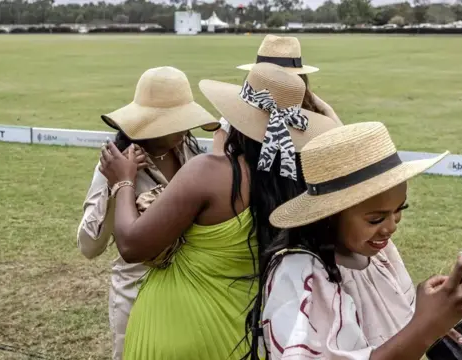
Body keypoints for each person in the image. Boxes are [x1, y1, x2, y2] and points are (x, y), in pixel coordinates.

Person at [97, 62, 340, 359]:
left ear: (238, 115)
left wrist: (122, 181)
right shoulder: (301, 181)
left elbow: (131, 245)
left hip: (176, 325)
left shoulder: (208, 174)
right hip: (247, 328)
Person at [243, 122, 462, 360]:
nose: (391, 226)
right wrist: (426, 325)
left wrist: (433, 319)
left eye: (399, 209)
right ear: (329, 216)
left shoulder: (378, 254)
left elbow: (398, 338)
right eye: (376, 219)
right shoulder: (300, 276)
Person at [76, 66, 219, 360]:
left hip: (192, 292)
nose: (184, 128)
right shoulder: (116, 164)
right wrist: (118, 183)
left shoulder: (191, 155)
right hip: (137, 295)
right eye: (175, 121)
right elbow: (89, 246)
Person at [213, 34, 342, 154]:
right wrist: (326, 109)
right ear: (300, 78)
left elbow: (219, 169)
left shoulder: (231, 121)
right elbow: (345, 147)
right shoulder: (310, 122)